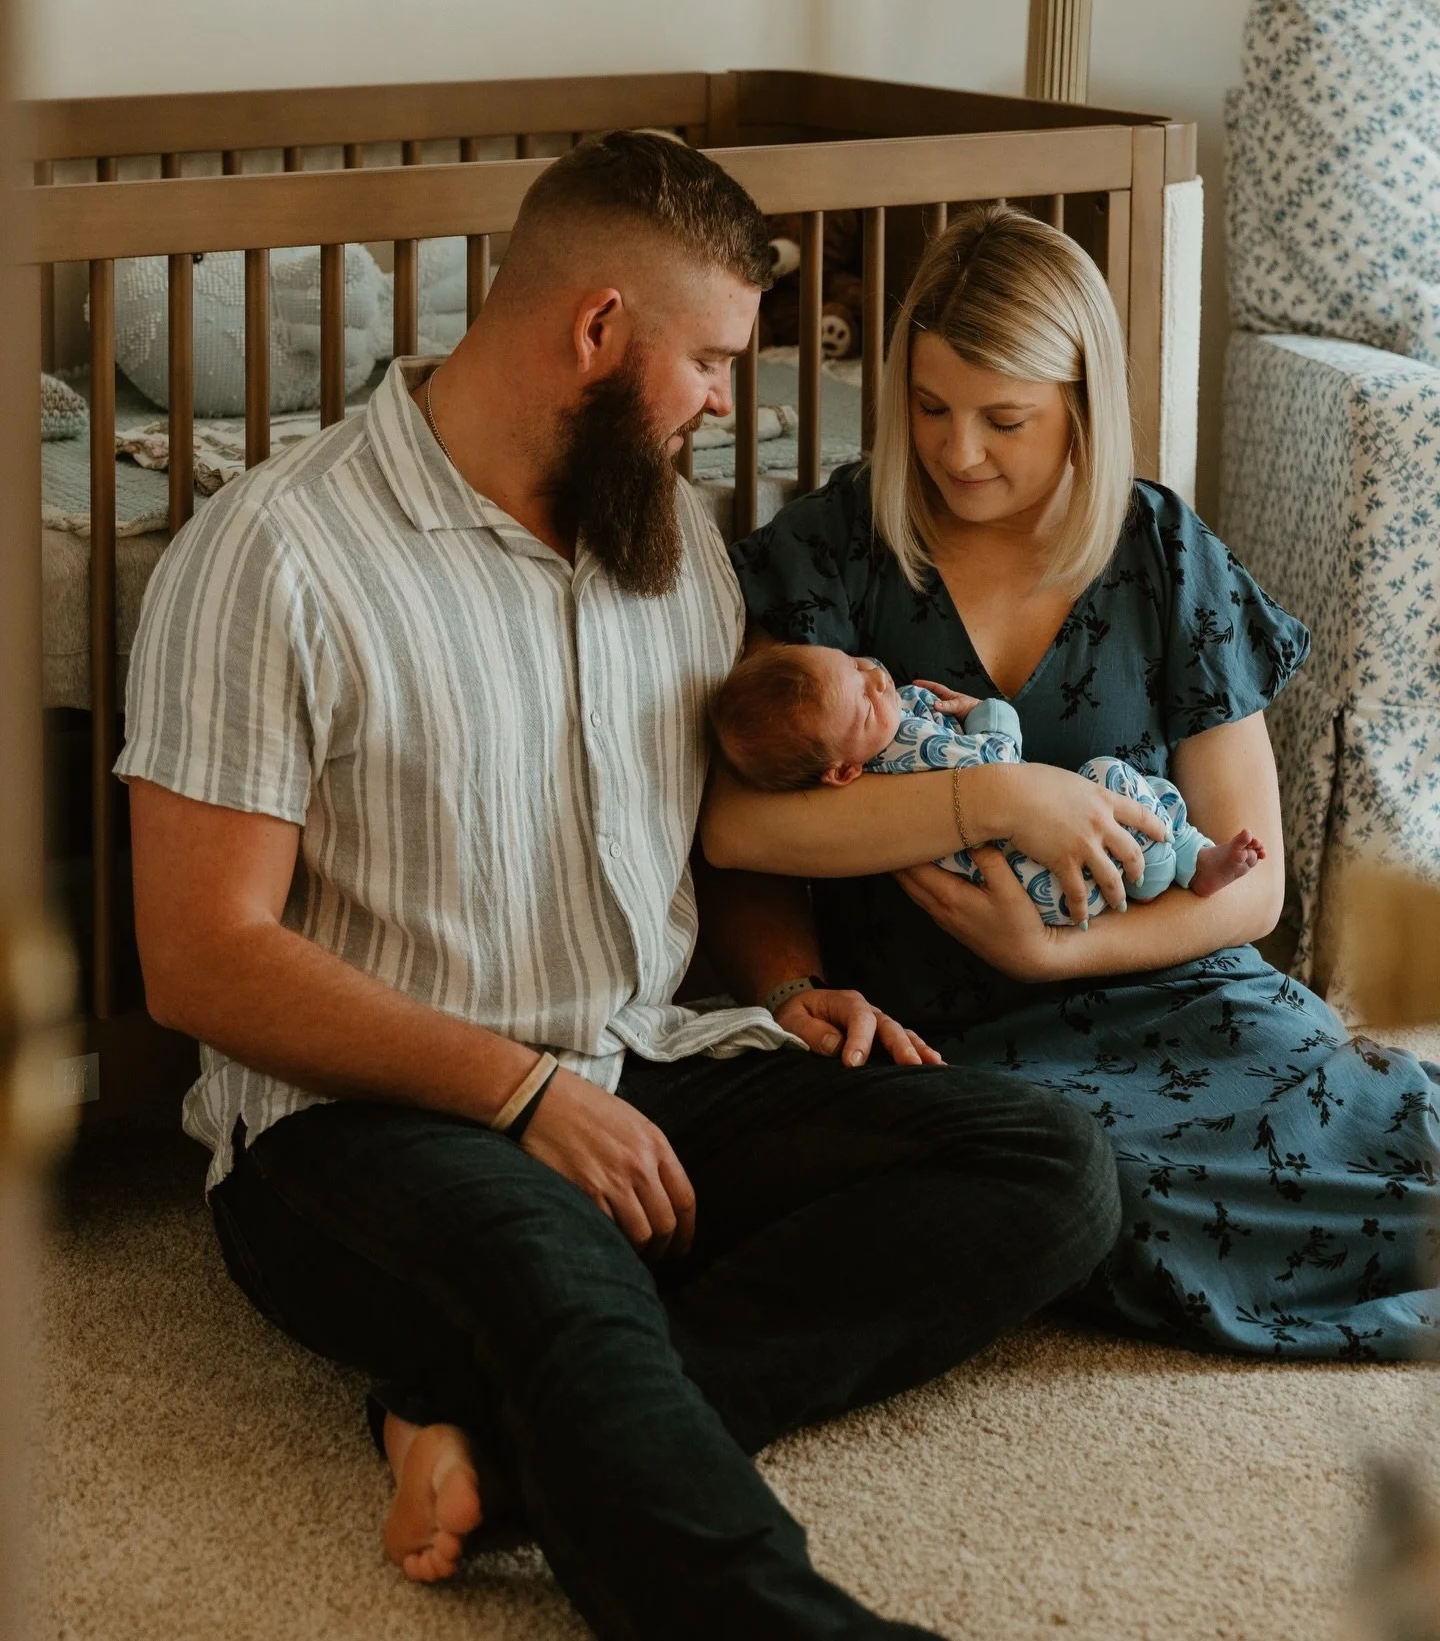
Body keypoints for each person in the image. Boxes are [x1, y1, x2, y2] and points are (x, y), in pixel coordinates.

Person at [119, 137, 1138, 1641]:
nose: (726, 401)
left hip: (641, 1062)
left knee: (1050, 1166)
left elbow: (709, 838)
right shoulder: (273, 555)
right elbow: (203, 959)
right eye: (711, 360)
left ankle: (495, 1442)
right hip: (361, 1125)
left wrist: (784, 987)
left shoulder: (668, 545)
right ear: (597, 329)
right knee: (564, 1272)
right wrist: (522, 1095)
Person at [707, 199, 1440, 1362]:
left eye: (1004, 419)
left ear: (1083, 405)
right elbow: (737, 829)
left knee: (1378, 1126)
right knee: (1094, 1191)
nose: (957, 452)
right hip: (953, 1033)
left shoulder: (1164, 554)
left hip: (1173, 986)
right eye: (930, 407)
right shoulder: (831, 552)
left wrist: (1053, 953)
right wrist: (996, 800)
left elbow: (1255, 891)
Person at [709, 645, 1265, 921]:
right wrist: (992, 713)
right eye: (865, 704)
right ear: (842, 772)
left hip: (1034, 877)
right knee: (1108, 776)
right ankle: (1184, 860)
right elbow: (1000, 768)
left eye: (856, 664)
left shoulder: (879, 737)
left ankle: (1172, 866)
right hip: (1039, 876)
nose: (877, 679)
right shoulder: (904, 748)